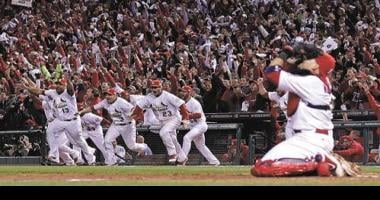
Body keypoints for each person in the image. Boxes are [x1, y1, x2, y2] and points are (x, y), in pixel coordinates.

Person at [251, 43, 359, 177]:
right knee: (263, 167)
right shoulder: (317, 79)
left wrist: (284, 53)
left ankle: (327, 162)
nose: (300, 63)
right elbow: (328, 62)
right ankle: (320, 162)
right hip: (311, 137)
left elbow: (271, 72)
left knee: (263, 167)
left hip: (310, 138)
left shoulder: (309, 81)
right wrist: (306, 51)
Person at [21, 76, 95, 165]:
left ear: (64, 85)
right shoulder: (52, 93)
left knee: (78, 140)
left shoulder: (69, 93)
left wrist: (68, 80)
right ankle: (54, 156)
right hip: (60, 120)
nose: (58, 86)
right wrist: (27, 88)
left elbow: (71, 89)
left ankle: (91, 158)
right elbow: (38, 91)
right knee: (50, 131)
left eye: (60, 84)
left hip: (73, 121)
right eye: (57, 84)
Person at [79, 88, 147, 166]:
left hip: (127, 125)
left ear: (115, 95)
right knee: (107, 140)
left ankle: (144, 147)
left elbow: (135, 110)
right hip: (115, 125)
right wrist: (82, 111)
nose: (107, 96)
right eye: (106, 94)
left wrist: (136, 117)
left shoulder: (122, 102)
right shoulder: (105, 102)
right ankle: (111, 162)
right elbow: (92, 108)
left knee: (132, 146)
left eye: (110, 95)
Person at [130, 79, 189, 165]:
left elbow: (181, 104)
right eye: (153, 87)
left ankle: (172, 154)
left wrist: (185, 117)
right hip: (163, 121)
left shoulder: (167, 96)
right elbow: (139, 107)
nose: (154, 89)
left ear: (161, 87)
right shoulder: (149, 97)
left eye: (156, 87)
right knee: (173, 139)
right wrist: (132, 116)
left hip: (174, 118)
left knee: (163, 132)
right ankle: (182, 158)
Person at [178, 85, 220, 166]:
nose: (182, 93)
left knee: (187, 138)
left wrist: (186, 116)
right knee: (201, 146)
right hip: (193, 126)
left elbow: (198, 115)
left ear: (189, 92)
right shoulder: (181, 103)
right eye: (181, 91)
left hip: (200, 124)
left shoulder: (194, 102)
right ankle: (214, 162)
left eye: (184, 92)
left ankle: (182, 159)